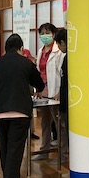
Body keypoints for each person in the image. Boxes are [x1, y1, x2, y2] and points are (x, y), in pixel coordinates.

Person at [0, 33, 45, 178]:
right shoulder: (26, 63)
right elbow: (39, 85)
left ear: (5, 49)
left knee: (4, 146)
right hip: (20, 111)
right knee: (15, 148)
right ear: (21, 48)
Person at [31, 23, 64, 161]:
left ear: (53, 34)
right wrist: (37, 89)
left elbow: (61, 73)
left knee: (59, 123)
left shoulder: (58, 51)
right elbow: (38, 72)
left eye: (47, 33)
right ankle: (44, 150)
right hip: (43, 92)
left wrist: (59, 91)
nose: (45, 36)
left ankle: (63, 153)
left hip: (55, 92)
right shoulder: (41, 51)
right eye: (42, 33)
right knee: (45, 123)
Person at [52, 29, 69, 167]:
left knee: (67, 131)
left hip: (69, 102)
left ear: (63, 42)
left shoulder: (70, 58)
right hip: (63, 99)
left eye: (58, 44)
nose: (58, 47)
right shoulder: (66, 57)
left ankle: (69, 163)